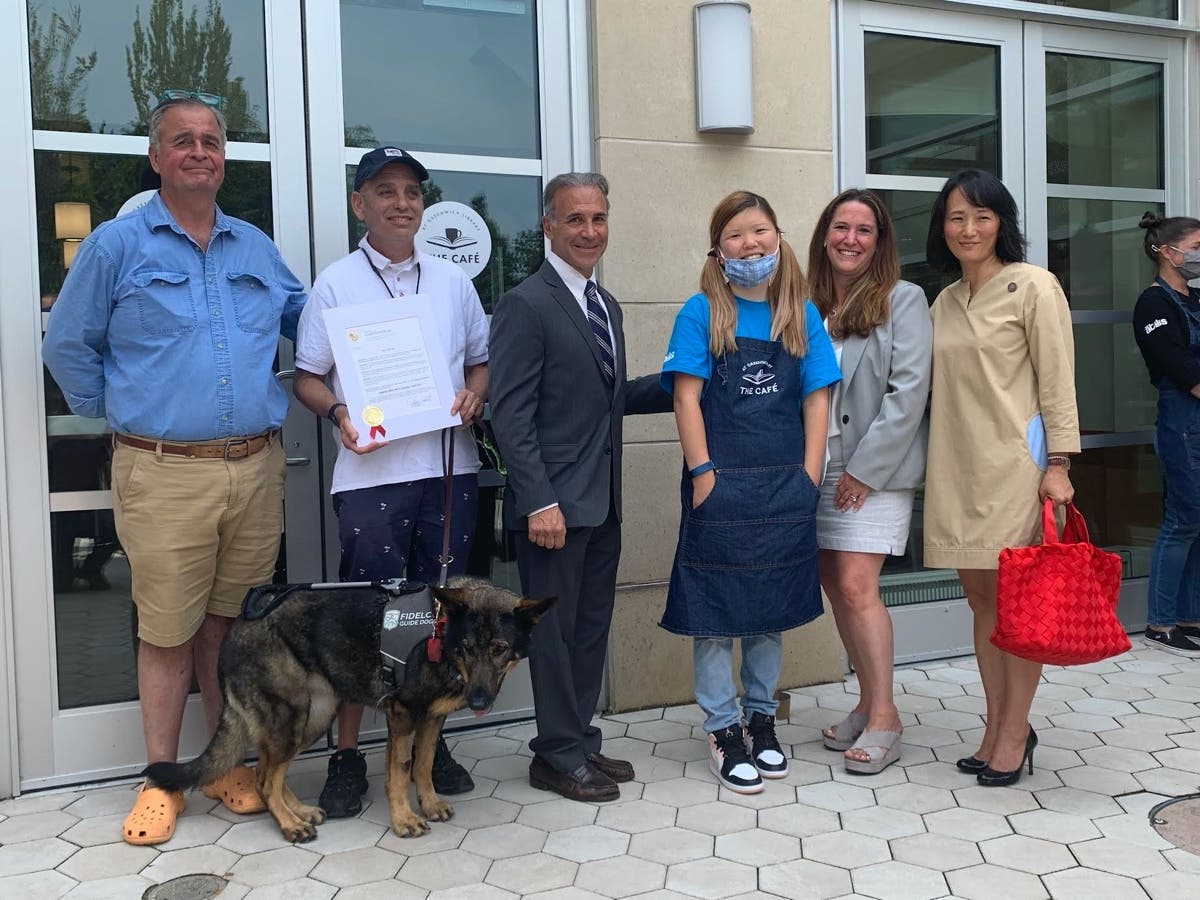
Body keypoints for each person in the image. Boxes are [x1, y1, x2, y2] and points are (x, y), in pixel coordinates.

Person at [41, 95, 307, 845]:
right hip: (163, 472)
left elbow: (311, 324)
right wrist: (125, 412)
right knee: (164, 631)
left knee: (228, 629)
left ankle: (222, 765)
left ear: (224, 157)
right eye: (181, 141)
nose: (199, 151)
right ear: (156, 157)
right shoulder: (116, 247)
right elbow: (67, 348)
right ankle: (161, 780)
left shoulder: (255, 248)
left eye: (211, 141)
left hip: (254, 471)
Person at [292, 147, 487, 817]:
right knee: (364, 621)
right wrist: (339, 411)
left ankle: (432, 745)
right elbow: (308, 377)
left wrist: (472, 396)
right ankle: (347, 757)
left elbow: (481, 365)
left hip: (447, 471)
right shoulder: (336, 284)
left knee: (439, 618)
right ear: (359, 204)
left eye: (411, 191)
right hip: (370, 475)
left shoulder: (453, 284)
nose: (401, 202)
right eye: (385, 191)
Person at [489, 172, 671, 803]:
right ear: (548, 226)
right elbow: (508, 413)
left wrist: (682, 381)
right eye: (574, 220)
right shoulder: (526, 303)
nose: (588, 231)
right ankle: (556, 754)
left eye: (598, 218)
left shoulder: (606, 305)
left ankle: (579, 739)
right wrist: (540, 498)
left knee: (590, 628)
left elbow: (607, 400)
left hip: (603, 502)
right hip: (553, 509)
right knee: (554, 636)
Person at [660, 191, 840, 794]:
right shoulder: (701, 310)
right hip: (720, 485)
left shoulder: (800, 311)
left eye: (760, 231)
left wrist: (810, 473)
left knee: (767, 615)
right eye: (736, 235)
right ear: (718, 248)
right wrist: (703, 473)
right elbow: (686, 398)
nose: (750, 244)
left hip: (785, 485)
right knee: (715, 616)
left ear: (779, 238)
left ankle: (763, 721)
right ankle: (721, 728)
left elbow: (817, 398)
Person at [923, 169, 1079, 787]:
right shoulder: (944, 299)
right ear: (943, 226)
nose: (969, 228)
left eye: (982, 216)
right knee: (981, 604)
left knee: (1017, 610)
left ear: (1002, 223)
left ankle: (1016, 732)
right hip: (956, 468)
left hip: (1018, 471)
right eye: (957, 217)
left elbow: (1058, 380)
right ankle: (995, 724)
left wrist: (1060, 465)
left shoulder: (1034, 286)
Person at [806, 189, 932, 774]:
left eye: (864, 230)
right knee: (834, 582)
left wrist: (863, 470)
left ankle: (886, 715)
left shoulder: (902, 299)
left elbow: (908, 395)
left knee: (858, 584)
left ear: (879, 242)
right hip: (817, 466)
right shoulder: (807, 301)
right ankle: (864, 700)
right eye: (841, 227)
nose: (850, 239)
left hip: (870, 470)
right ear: (825, 235)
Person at [1131, 212, 1200, 657]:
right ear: (1167, 250)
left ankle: (1190, 616)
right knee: (1183, 519)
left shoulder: (1194, 298)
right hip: (1182, 426)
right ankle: (1159, 622)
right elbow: (1181, 370)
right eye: (1196, 247)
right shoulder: (1153, 305)